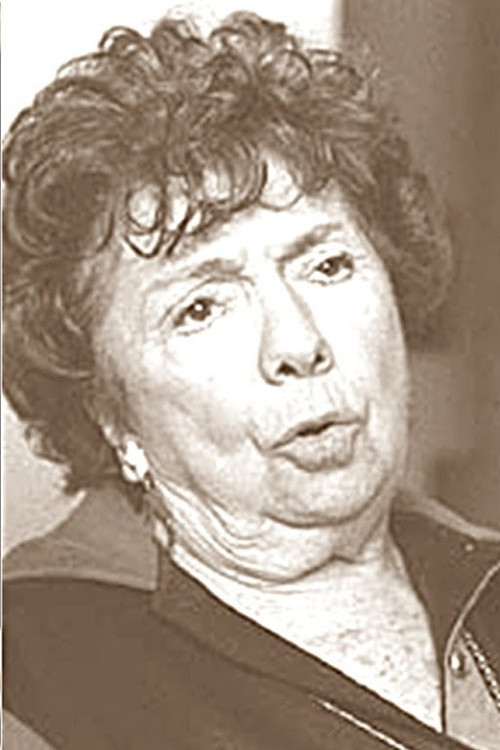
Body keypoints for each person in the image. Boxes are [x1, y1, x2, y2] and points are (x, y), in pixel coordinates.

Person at [3, 10, 500, 750]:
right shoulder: (31, 675)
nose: (297, 343)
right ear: (111, 414)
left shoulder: (486, 574)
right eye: (201, 308)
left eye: (327, 264)